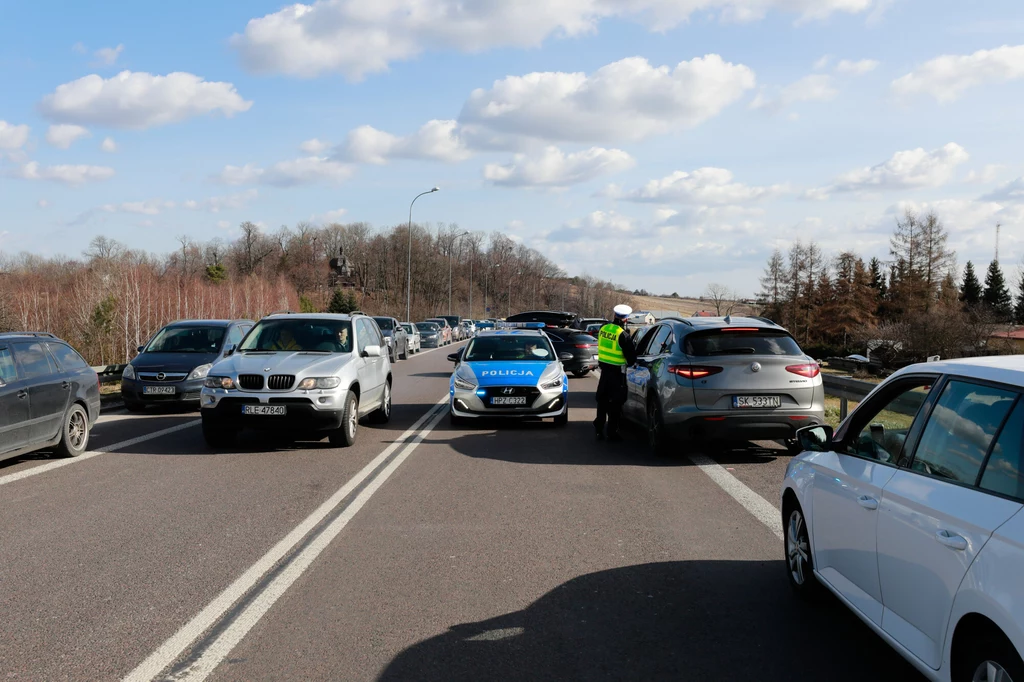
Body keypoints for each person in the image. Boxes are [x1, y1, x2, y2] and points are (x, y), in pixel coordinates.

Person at [594, 304, 638, 442]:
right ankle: (611, 433)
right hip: (617, 374)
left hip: (604, 372)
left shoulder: (603, 329)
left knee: (602, 401)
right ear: (626, 319)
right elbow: (631, 359)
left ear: (614, 315)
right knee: (616, 404)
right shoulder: (623, 335)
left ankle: (598, 429)